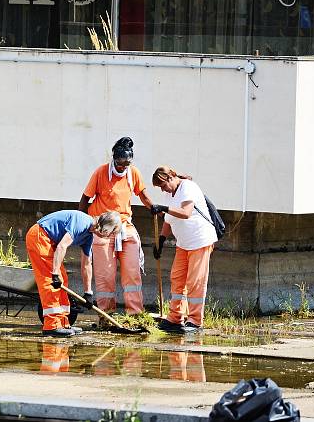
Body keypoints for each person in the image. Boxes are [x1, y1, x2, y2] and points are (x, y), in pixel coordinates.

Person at [79, 137, 155, 316]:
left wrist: (155, 208)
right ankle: (106, 314)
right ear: (114, 159)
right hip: (103, 228)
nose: (123, 167)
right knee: (105, 276)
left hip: (125, 227)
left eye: (127, 164)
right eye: (120, 164)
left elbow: (143, 195)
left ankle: (135, 314)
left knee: (132, 272)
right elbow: (85, 199)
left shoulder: (133, 173)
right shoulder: (101, 172)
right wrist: (84, 223)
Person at [25, 209, 121, 337]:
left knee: (63, 279)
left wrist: (88, 293)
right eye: (110, 233)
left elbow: (87, 264)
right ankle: (52, 326)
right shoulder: (82, 222)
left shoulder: (88, 236)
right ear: (105, 226)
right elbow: (62, 246)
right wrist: (54, 273)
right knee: (51, 282)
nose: (108, 237)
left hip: (49, 240)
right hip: (40, 236)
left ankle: (64, 323)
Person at [150, 165, 217, 334]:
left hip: (199, 241)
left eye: (163, 185)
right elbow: (168, 220)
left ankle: (195, 321)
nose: (162, 189)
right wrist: (162, 240)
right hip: (184, 243)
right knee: (177, 278)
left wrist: (163, 208)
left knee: (195, 281)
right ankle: (175, 318)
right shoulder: (169, 193)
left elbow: (186, 212)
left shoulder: (188, 187)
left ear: (170, 178)